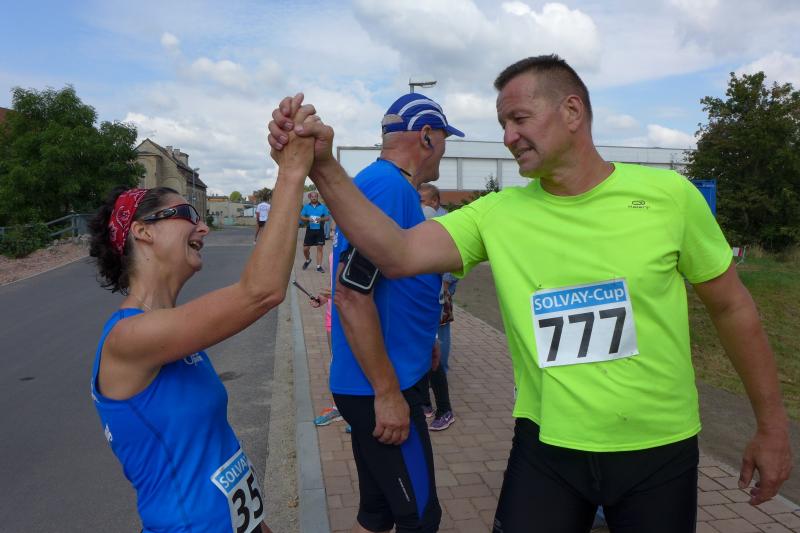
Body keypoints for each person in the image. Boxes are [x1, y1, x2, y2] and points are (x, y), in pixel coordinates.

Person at [268, 55, 792, 533]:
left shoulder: (669, 197)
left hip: (659, 448)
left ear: (572, 111)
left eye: (519, 118)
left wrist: (771, 427)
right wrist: (324, 166)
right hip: (547, 447)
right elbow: (396, 253)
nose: (508, 136)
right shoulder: (498, 213)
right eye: (503, 124)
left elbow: (732, 306)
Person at [88, 105, 313, 533]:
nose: (203, 227)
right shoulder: (129, 338)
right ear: (143, 231)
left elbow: (215, 451)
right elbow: (261, 292)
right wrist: (291, 172)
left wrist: (258, 525)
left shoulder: (174, 334)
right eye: (188, 215)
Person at [293, 92, 462, 533]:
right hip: (381, 388)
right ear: (427, 136)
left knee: (377, 516)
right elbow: (352, 295)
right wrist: (387, 392)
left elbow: (392, 283)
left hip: (385, 377)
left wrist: (424, 343)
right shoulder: (388, 188)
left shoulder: (387, 185)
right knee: (420, 519)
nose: (445, 149)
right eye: (445, 139)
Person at [418, 183, 457, 432]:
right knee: (424, 344)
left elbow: (453, 259)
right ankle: (425, 402)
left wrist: (444, 285)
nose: (418, 204)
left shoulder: (445, 223)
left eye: (422, 200)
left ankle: (444, 406)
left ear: (434, 201)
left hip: (438, 292)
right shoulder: (421, 218)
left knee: (437, 343)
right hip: (421, 294)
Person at [299, 191, 330, 272]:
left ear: (317, 197)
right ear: (310, 197)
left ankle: (319, 266)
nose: (314, 198)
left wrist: (321, 219)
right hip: (310, 229)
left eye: (315, 196)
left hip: (320, 230)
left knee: (319, 248)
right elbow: (301, 216)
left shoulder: (322, 207)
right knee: (305, 249)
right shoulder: (306, 207)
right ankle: (308, 260)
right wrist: (308, 219)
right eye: (312, 196)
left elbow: (327, 218)